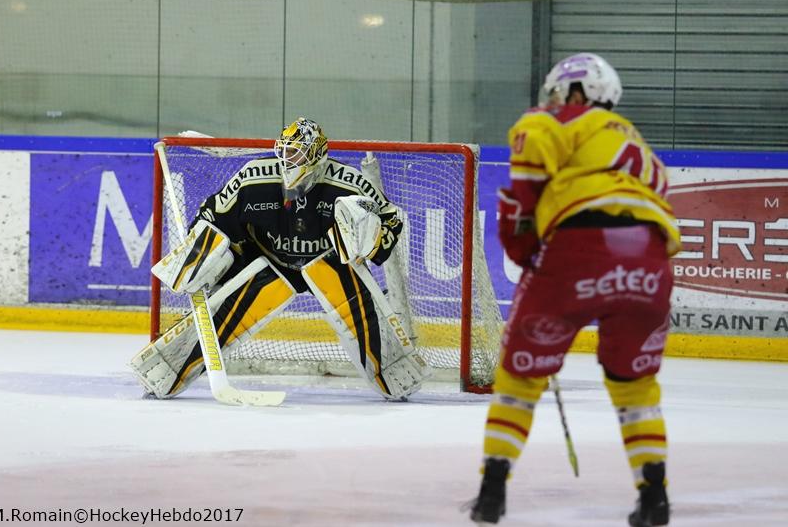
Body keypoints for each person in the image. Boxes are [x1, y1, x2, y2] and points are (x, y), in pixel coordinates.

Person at [469, 53, 681, 526]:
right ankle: (654, 498)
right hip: (650, 264)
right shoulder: (641, 148)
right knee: (636, 386)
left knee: (520, 379)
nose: (554, 101)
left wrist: (526, 248)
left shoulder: (554, 121)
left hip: (577, 250)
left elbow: (523, 193)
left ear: (579, 91)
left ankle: (491, 493)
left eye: (560, 92)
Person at [129, 117, 429, 401]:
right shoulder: (253, 177)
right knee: (222, 312)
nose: (288, 160)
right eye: (284, 151)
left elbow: (392, 219)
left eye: (296, 154)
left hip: (329, 264)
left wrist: (372, 238)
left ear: (317, 156)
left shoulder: (349, 184)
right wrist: (199, 251)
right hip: (267, 262)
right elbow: (213, 214)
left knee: (385, 362)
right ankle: (168, 370)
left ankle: (391, 370)